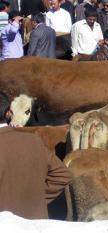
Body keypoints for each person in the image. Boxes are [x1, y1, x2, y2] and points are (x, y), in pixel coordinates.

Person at [0, 91, 72, 219]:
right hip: (37, 223)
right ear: (8, 113)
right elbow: (63, 175)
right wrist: (36, 198)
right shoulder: (35, 141)